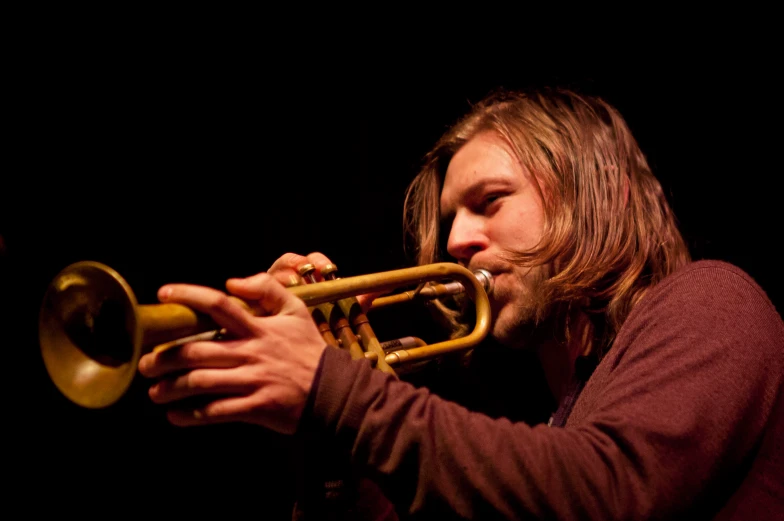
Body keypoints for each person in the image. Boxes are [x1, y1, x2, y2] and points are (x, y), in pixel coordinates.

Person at [137, 87, 783, 520]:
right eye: (451, 217)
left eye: (490, 201)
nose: (456, 240)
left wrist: (336, 388)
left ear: (599, 194)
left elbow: (609, 492)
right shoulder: (553, 415)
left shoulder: (714, 300)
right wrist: (326, 424)